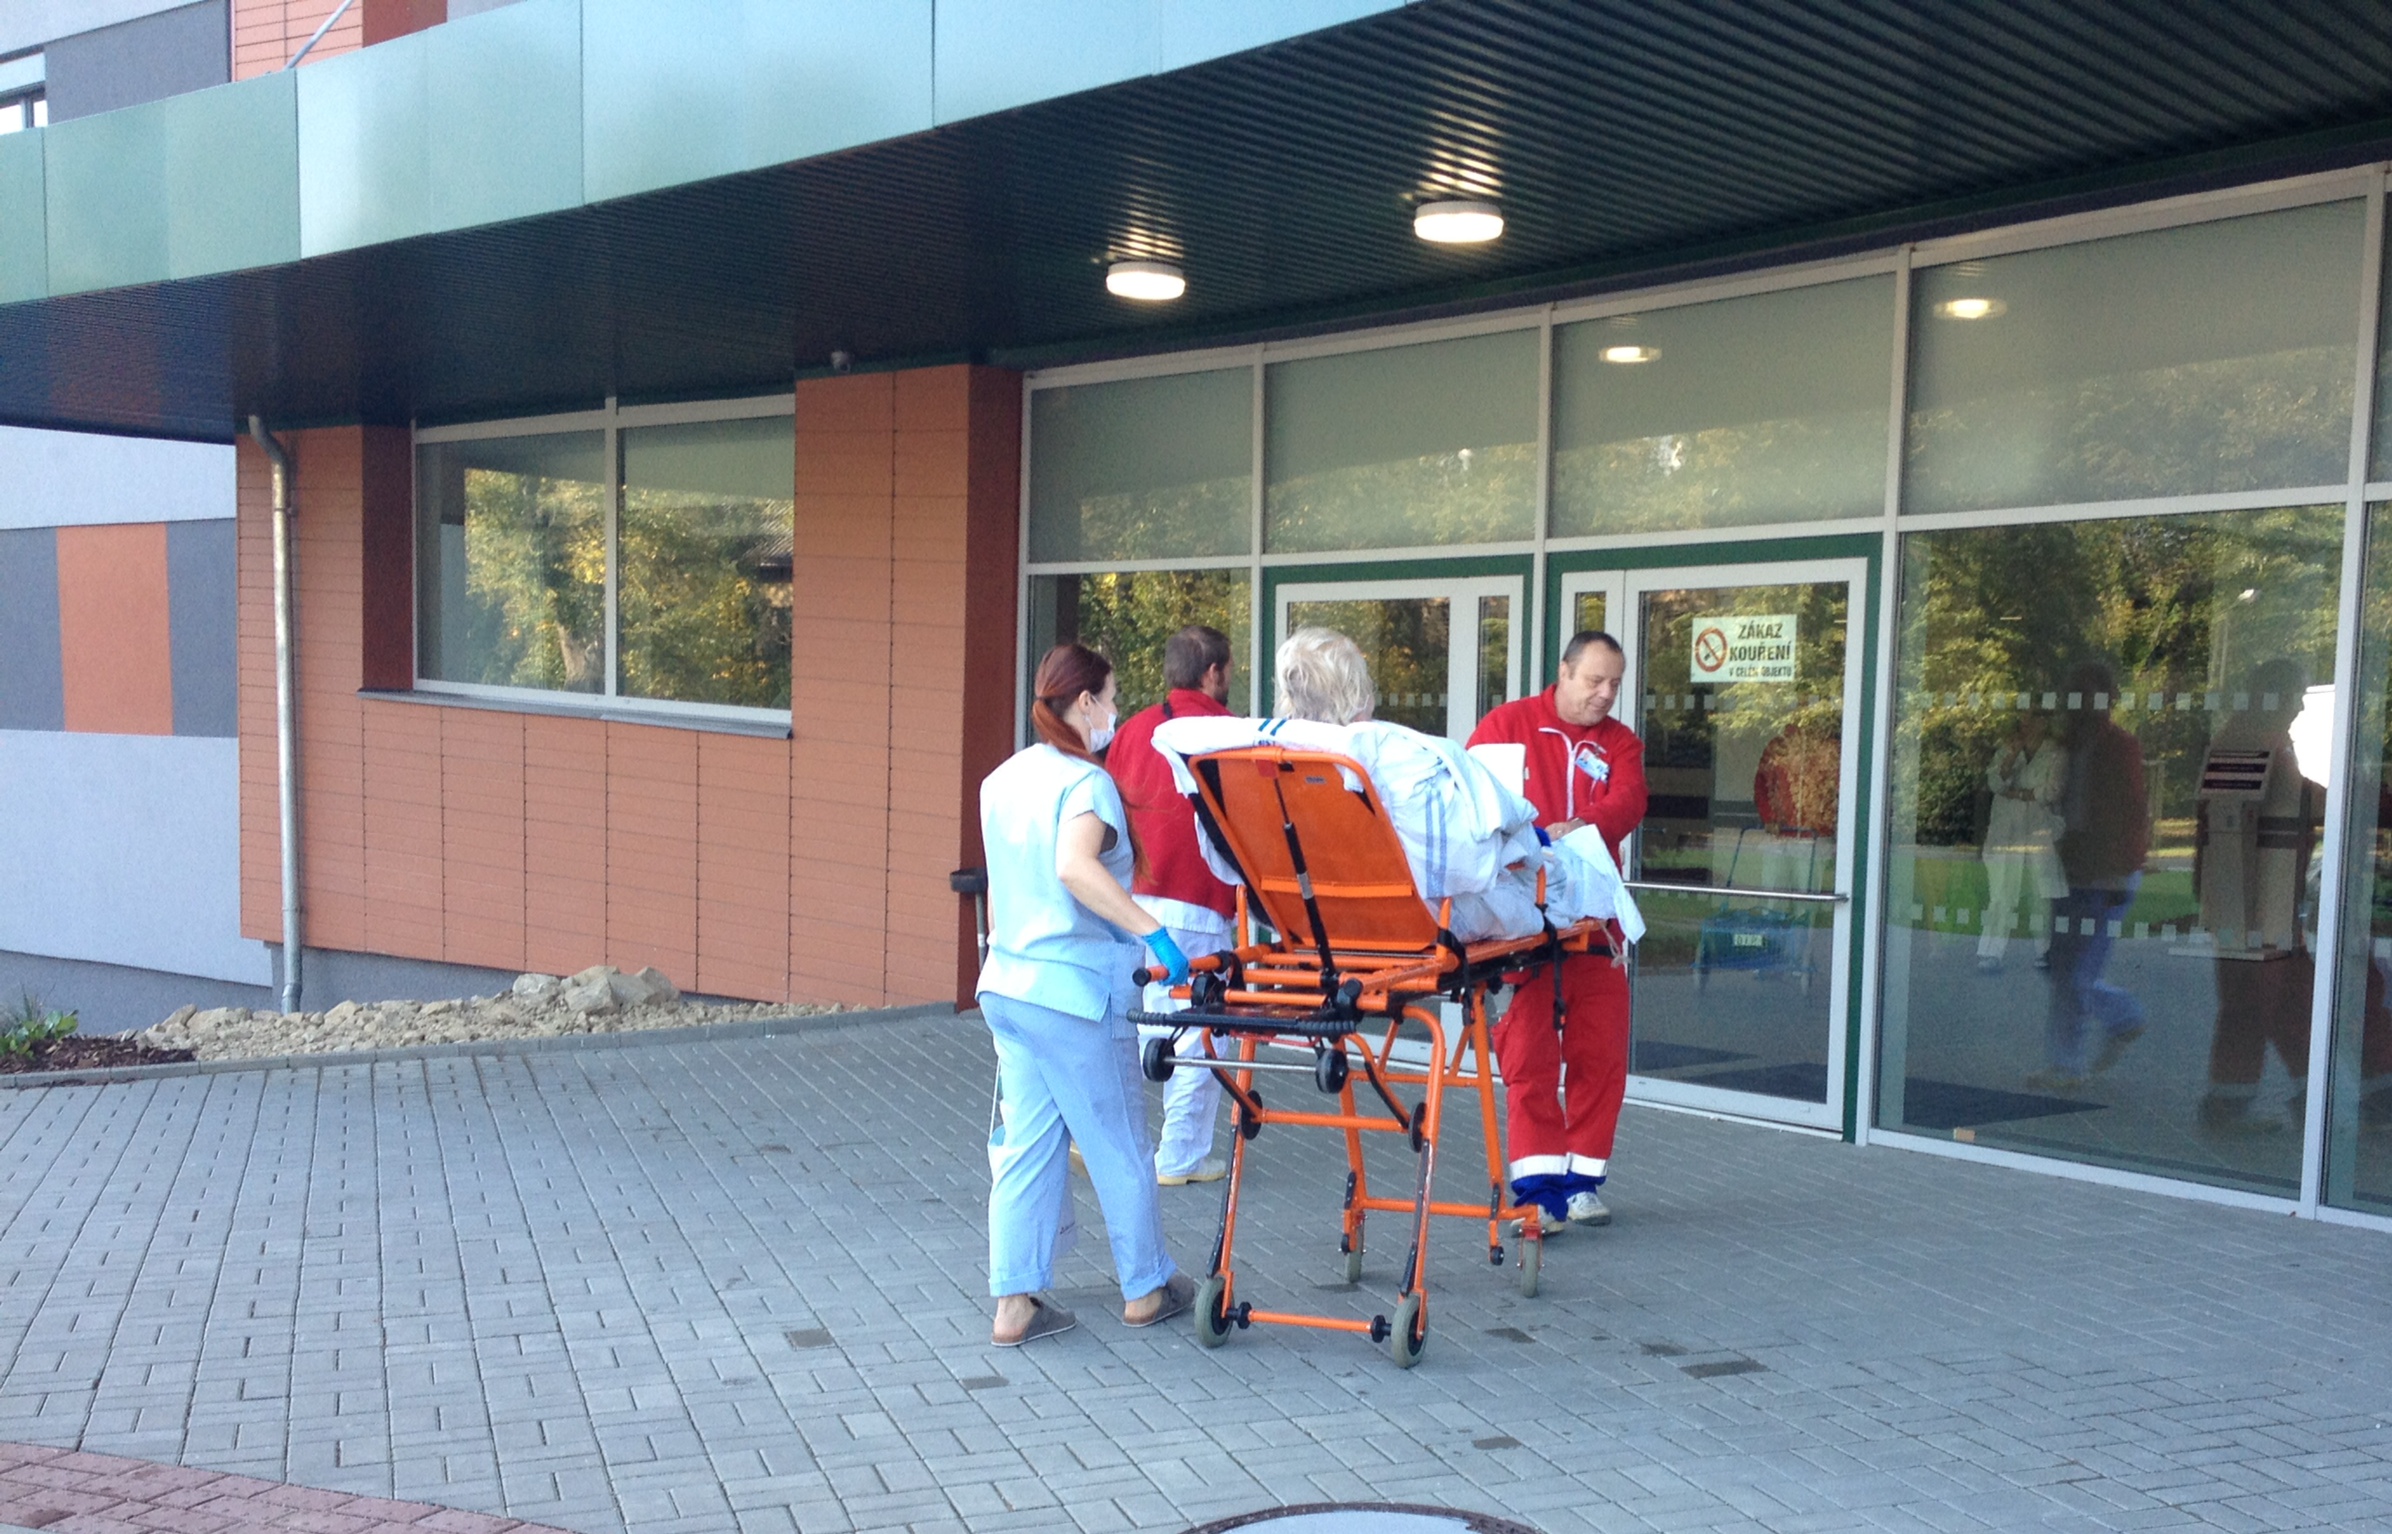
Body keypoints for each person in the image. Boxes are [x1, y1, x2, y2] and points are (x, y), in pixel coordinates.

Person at [975, 642, 1196, 1346]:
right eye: (1112, 698)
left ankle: (1014, 1303)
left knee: (1027, 1145)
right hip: (1073, 992)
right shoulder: (1086, 784)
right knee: (1118, 1140)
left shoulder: (1002, 779)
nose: (1116, 712)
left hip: (1008, 985)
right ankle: (1147, 1286)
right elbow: (1074, 868)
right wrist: (1155, 935)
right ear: (1084, 702)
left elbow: (1007, 882)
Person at [1467, 630, 1648, 1229]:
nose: (1606, 693)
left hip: (1595, 922)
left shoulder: (1620, 742)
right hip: (1524, 924)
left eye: (1615, 683)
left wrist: (1579, 826)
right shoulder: (1506, 726)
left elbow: (1629, 800)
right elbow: (1472, 801)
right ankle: (1538, 1192)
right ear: (1564, 673)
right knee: (1530, 1056)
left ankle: (1583, 1183)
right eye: (1595, 680)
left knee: (1601, 1054)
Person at [1108, 624, 1239, 1186]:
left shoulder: (1134, 730)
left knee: (1144, 1017)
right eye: (1228, 669)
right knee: (1203, 1025)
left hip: (1131, 898)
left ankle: (1118, 1141)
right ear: (1212, 672)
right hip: (1199, 901)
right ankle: (1180, 1155)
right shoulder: (1229, 734)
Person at [2198, 660, 2324, 1136]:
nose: (2301, 706)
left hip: (2263, 903)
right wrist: (2359, 802)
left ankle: (2310, 1097)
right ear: (2272, 694)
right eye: (2296, 695)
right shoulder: (2250, 739)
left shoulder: (2255, 736)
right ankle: (2228, 1106)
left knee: (2287, 998)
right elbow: (2252, 816)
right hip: (2255, 905)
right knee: (2254, 1002)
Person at [2030, 662, 2148, 1091]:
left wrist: (2121, 870)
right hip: (2073, 871)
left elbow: (2132, 813)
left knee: (2077, 974)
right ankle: (2097, 1037)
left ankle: (2082, 1052)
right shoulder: (2065, 748)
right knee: (2060, 969)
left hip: (2106, 875)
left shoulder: (2119, 747)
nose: (2079, 704)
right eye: (2074, 695)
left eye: (2090, 695)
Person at [1977, 710, 2068, 973]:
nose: (2024, 726)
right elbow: (1995, 783)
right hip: (2006, 832)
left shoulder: (2056, 753)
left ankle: (2045, 951)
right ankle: (1991, 952)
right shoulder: (2006, 750)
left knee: (2041, 891)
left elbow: (2052, 791)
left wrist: (2017, 793)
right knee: (2001, 892)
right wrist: (2012, 756)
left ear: (2043, 722)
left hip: (2039, 831)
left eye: (2031, 720)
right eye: (2022, 721)